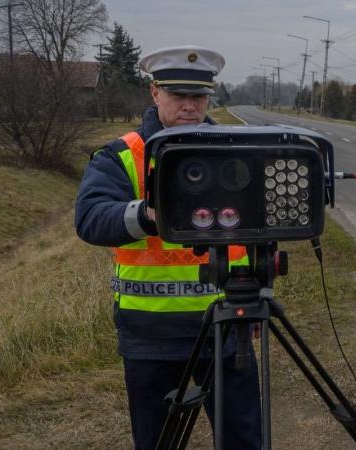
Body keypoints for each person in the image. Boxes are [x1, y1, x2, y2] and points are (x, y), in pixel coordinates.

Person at [75, 45, 261, 450]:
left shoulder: (236, 154)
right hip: (151, 333)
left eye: (199, 97)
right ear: (154, 92)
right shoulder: (123, 156)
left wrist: (259, 302)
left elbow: (256, 237)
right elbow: (89, 219)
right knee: (157, 442)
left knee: (243, 439)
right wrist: (148, 215)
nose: (190, 106)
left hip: (226, 327)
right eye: (179, 95)